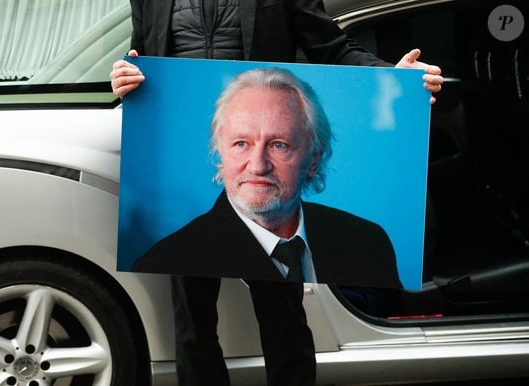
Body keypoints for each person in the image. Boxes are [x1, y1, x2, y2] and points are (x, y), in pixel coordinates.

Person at [111, 2, 443, 386]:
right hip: (178, 176)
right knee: (191, 328)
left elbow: (331, 46)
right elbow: (138, 61)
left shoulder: (367, 237)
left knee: (284, 320)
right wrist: (122, 78)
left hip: (269, 188)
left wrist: (394, 77)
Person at [134, 67, 403, 290]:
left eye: (279, 145)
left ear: (313, 160)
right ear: (220, 152)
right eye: (241, 144)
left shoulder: (367, 243)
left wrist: (406, 79)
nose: (258, 166)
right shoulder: (167, 261)